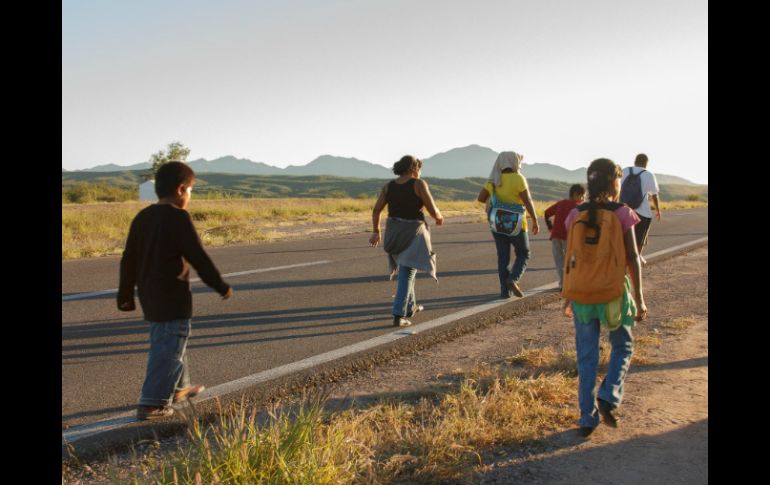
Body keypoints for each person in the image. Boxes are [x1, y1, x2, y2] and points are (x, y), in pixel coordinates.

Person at [118, 161, 234, 420]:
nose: (190, 196)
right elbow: (198, 257)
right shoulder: (178, 217)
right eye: (191, 190)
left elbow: (128, 259)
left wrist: (125, 295)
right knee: (168, 346)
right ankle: (153, 402)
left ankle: (180, 387)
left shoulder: (143, 217)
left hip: (149, 294)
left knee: (171, 340)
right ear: (181, 189)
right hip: (172, 296)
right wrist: (220, 286)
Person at [563, 158, 648, 438]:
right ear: (615, 182)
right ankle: (609, 394)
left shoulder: (575, 214)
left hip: (582, 295)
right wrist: (640, 298)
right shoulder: (622, 213)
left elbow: (572, 256)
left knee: (586, 356)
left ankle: (587, 417)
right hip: (612, 292)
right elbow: (633, 258)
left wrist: (568, 294)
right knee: (622, 346)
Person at [369, 155, 444, 327]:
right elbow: (432, 209)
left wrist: (376, 231)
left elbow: (376, 211)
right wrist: (439, 218)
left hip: (394, 232)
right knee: (408, 272)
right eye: (419, 168)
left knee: (407, 268)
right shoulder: (419, 184)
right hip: (413, 233)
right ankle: (398, 314)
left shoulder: (389, 186)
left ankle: (411, 306)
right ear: (414, 168)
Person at [477, 151, 540, 299]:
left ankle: (504, 292)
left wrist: (496, 198)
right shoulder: (519, 179)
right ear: (514, 162)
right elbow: (527, 201)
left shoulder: (494, 179)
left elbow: (481, 198)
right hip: (517, 223)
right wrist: (535, 220)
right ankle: (513, 278)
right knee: (524, 253)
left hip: (497, 222)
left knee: (503, 257)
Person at [620, 153, 661, 264]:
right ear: (646, 163)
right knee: (640, 238)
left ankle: (622, 258)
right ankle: (637, 257)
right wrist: (658, 210)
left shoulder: (624, 170)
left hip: (623, 210)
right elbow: (654, 194)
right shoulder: (648, 174)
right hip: (642, 212)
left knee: (623, 237)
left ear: (635, 161)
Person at [544, 184, 586, 290]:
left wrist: (550, 226)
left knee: (559, 261)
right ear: (576, 194)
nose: (583, 199)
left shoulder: (560, 203)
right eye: (582, 196)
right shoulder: (578, 208)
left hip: (555, 236)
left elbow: (546, 213)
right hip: (569, 238)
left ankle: (563, 284)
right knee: (571, 261)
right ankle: (571, 283)